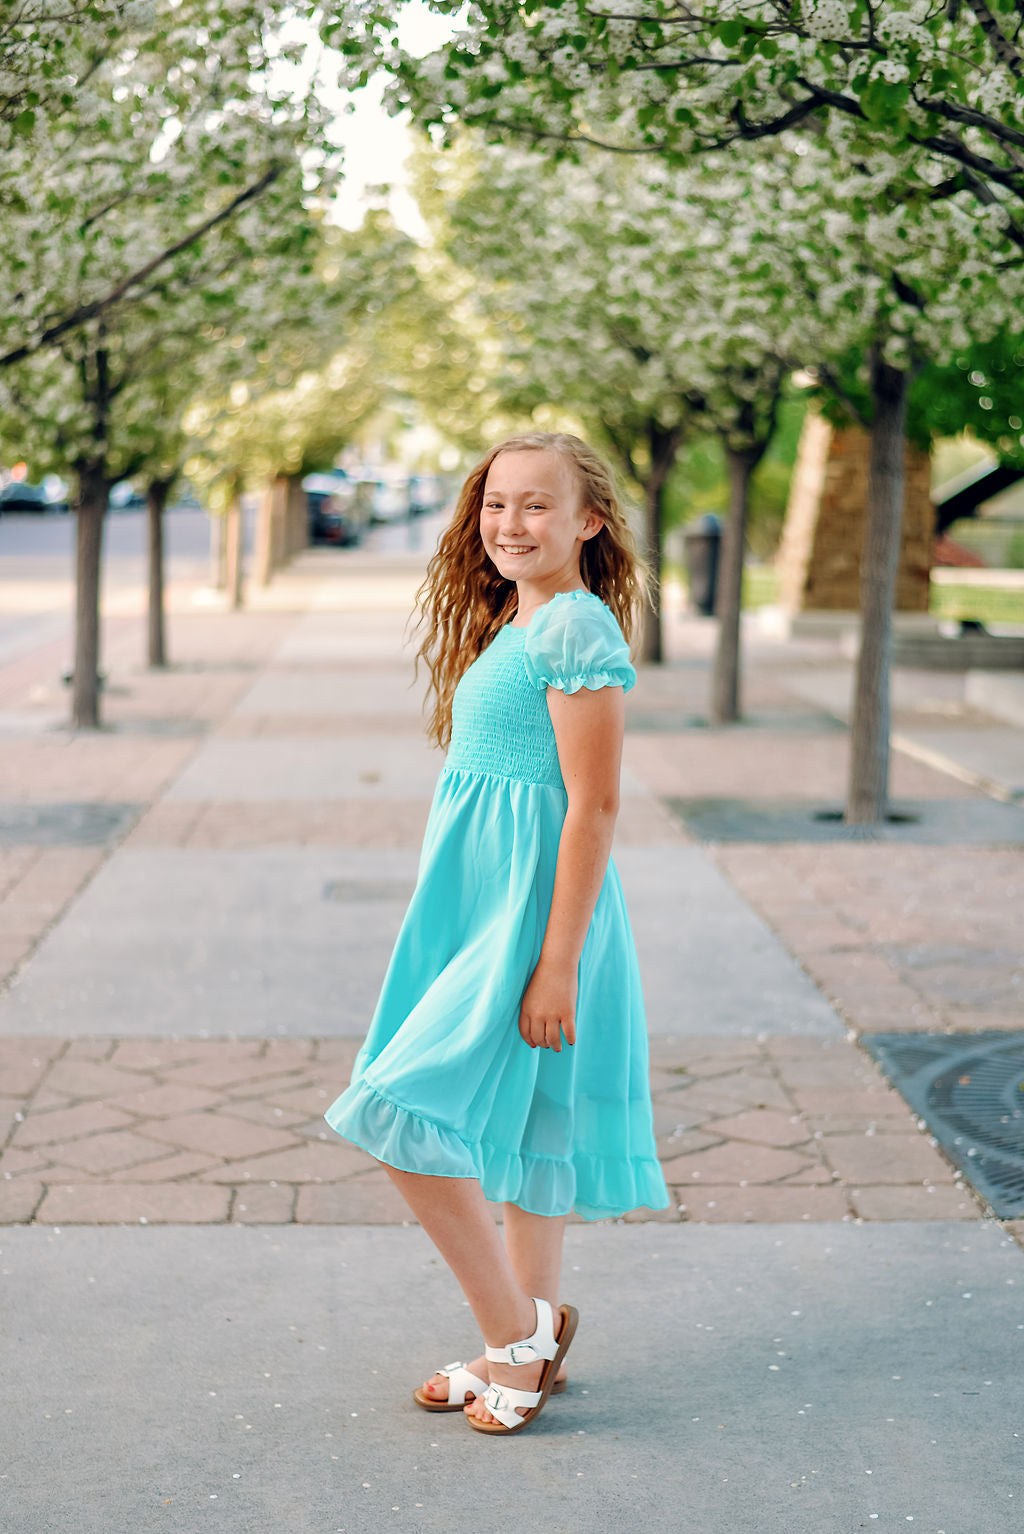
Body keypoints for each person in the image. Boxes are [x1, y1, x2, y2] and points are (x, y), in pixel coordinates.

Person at [323, 431, 670, 1435]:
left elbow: (594, 806)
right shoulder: (517, 622)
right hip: (481, 906)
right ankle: (520, 1340)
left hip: (529, 921)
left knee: (393, 1110)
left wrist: (555, 961)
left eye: (536, 505)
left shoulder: (572, 629)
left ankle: (518, 1335)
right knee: (530, 1132)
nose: (511, 523)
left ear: (588, 521)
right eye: (495, 504)